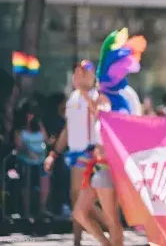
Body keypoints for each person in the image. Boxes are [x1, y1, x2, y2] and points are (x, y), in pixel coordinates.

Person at [73, 28, 146, 246]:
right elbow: (99, 109)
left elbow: (105, 113)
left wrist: (86, 93)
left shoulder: (118, 100)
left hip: (109, 166)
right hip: (98, 165)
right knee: (80, 212)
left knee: (112, 220)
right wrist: (84, 91)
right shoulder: (109, 99)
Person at [44, 60, 107, 246]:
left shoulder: (99, 96)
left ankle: (111, 228)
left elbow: (101, 116)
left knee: (82, 200)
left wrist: (85, 94)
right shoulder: (72, 98)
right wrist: (53, 154)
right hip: (74, 154)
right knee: (76, 199)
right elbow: (67, 130)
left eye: (84, 72)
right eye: (77, 73)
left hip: (92, 154)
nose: (78, 76)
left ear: (93, 75)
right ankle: (79, 240)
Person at [14, 98, 51, 218]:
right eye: (28, 113)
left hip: (40, 159)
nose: (30, 116)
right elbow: (19, 145)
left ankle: (42, 207)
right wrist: (29, 152)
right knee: (26, 178)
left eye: (32, 113)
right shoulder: (20, 130)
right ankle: (26, 210)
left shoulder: (39, 125)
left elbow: (45, 139)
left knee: (45, 174)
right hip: (25, 159)